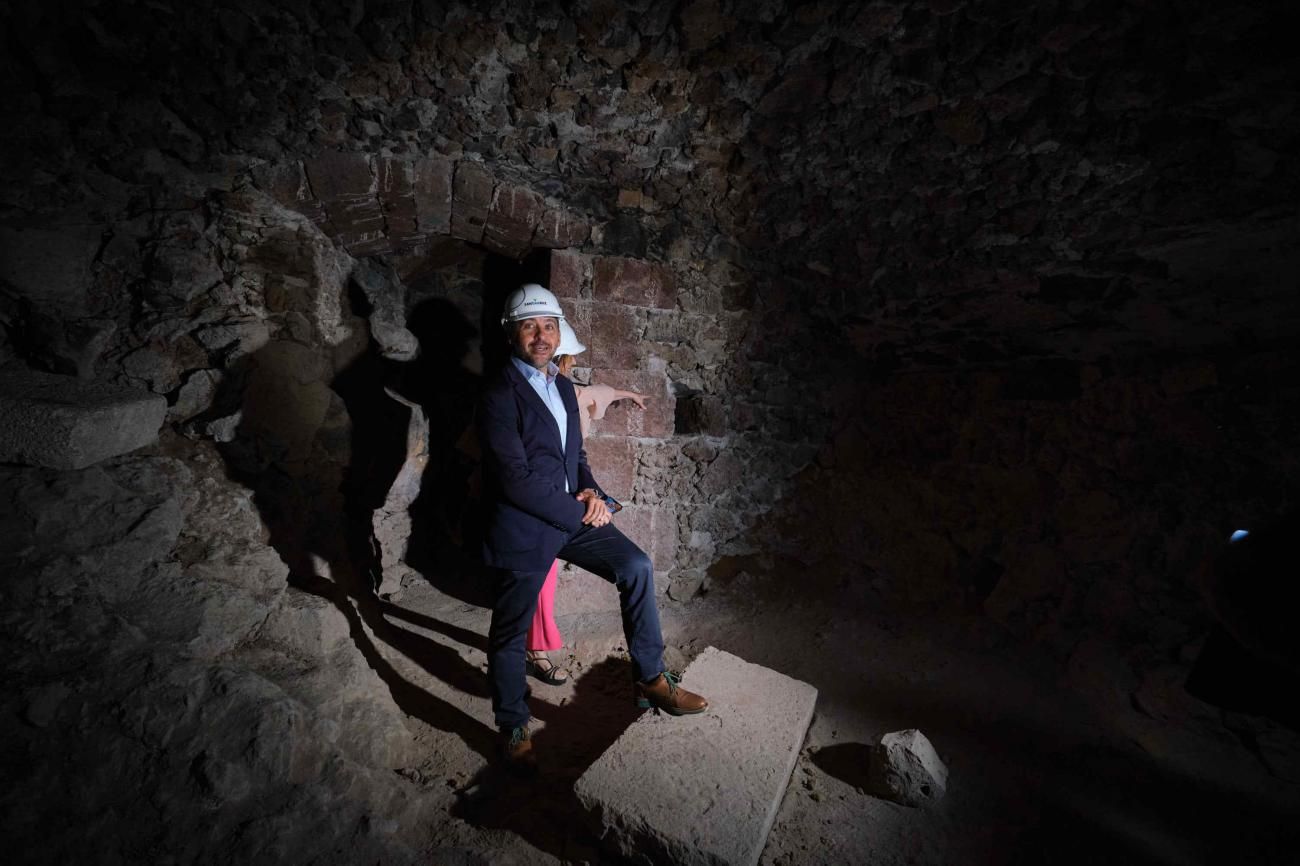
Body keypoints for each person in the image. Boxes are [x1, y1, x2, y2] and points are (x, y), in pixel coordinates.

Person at [479, 283, 708, 771]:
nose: (540, 336)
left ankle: (650, 679)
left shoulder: (561, 384)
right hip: (525, 526)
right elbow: (514, 480)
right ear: (511, 333)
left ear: (559, 330)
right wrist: (579, 509)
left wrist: (593, 493)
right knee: (509, 630)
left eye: (548, 325)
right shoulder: (499, 393)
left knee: (636, 566)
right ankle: (512, 722)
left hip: (571, 514)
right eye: (528, 326)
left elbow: (573, 456)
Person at [522, 319, 649, 687]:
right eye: (569, 358)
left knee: (631, 565)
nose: (571, 364)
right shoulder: (530, 397)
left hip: (570, 495)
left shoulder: (572, 393)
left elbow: (606, 395)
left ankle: (649, 677)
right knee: (537, 581)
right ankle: (535, 654)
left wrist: (632, 395)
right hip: (538, 502)